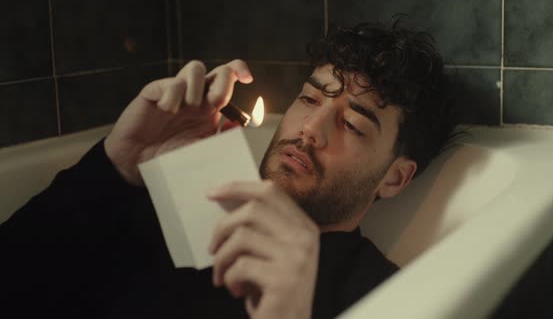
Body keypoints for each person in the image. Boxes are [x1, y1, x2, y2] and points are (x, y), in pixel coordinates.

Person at [0, 19, 455, 319]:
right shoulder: (163, 211)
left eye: (354, 125)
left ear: (395, 176)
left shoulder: (380, 296)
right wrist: (116, 164)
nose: (311, 128)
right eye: (310, 99)